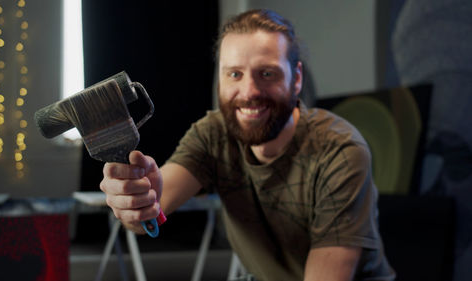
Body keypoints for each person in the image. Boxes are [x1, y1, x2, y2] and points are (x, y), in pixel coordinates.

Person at [100, 9, 395, 281]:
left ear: (297, 79)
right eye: (234, 74)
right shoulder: (213, 134)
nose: (249, 92)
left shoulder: (339, 151)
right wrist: (136, 204)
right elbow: (151, 209)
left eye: (267, 73)